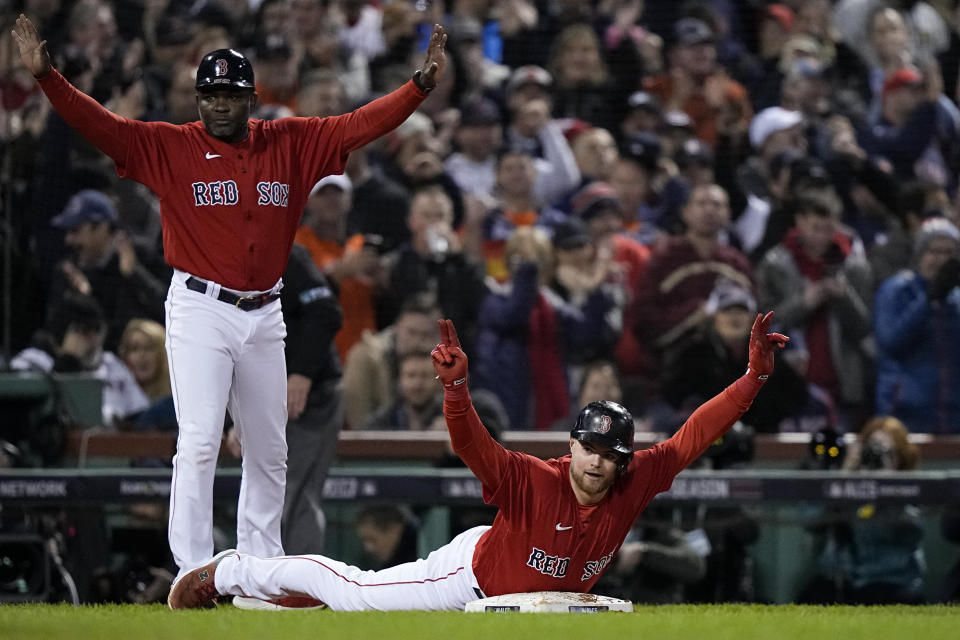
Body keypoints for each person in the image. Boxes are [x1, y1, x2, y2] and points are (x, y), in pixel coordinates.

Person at [11, 13, 449, 584]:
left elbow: (357, 126)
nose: (220, 105)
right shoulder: (170, 147)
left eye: (231, 95)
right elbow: (102, 125)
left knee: (269, 450)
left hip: (267, 311)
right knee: (198, 441)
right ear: (197, 99)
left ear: (253, 100)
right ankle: (193, 570)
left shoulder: (290, 142)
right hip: (200, 307)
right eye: (210, 94)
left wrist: (416, 88)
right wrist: (49, 79)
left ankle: (260, 569)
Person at [167, 314, 787, 610]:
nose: (599, 464)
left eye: (611, 456)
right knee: (357, 593)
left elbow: (693, 434)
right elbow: (471, 447)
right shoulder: (532, 478)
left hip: (531, 598)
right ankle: (231, 572)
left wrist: (754, 378)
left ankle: (259, 603)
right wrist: (456, 391)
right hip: (473, 578)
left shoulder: (635, 479)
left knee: (352, 604)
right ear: (570, 445)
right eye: (590, 450)